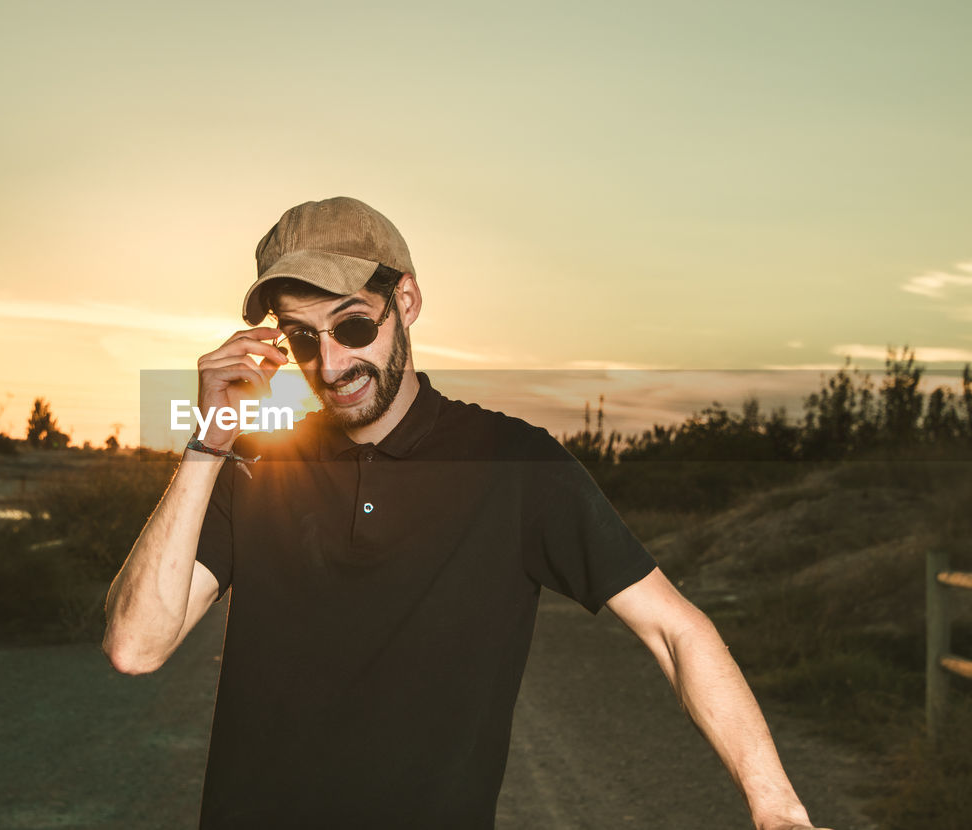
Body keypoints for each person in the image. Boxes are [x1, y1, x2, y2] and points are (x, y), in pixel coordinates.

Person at [102, 197, 829, 830]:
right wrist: (209, 443)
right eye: (301, 339)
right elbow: (137, 646)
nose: (330, 365)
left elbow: (674, 630)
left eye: (353, 327)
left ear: (407, 302)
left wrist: (779, 810)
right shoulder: (256, 468)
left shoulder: (515, 465)